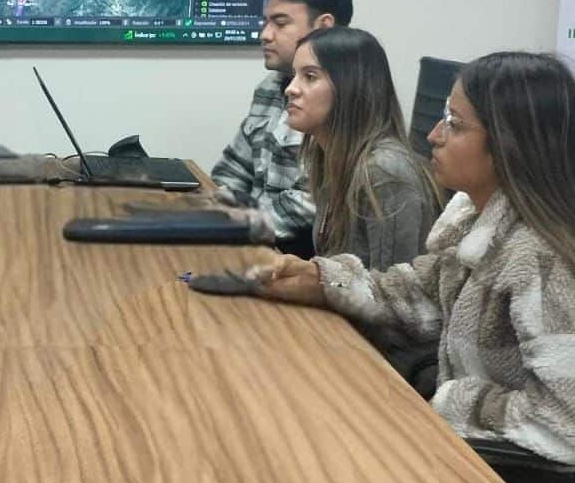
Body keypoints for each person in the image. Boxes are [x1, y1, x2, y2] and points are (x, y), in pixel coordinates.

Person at [247, 52, 575, 483]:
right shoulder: (482, 219)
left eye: (455, 124)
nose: (434, 136)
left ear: (510, 144)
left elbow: (570, 426)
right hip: (485, 449)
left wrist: (455, 401)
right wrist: (322, 281)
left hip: (542, 477)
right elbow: (422, 292)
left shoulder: (542, 259)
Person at [189, 27, 441, 389]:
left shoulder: (385, 172)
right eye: (295, 76)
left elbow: (396, 308)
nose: (291, 89)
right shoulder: (326, 157)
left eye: (310, 77)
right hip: (343, 336)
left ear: (351, 89)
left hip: (388, 369)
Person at [210, 0, 352, 257]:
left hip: (295, 255)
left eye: (280, 23)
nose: (265, 34)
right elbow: (234, 169)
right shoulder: (270, 87)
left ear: (323, 27)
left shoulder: (344, 100)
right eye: (266, 22)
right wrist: (210, 213)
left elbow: (308, 203)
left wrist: (227, 228)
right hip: (250, 237)